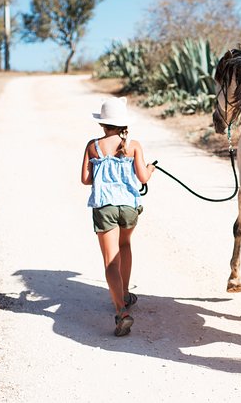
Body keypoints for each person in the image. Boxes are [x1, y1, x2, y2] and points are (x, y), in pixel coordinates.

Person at [81, 97, 156, 337]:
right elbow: (143, 177)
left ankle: (121, 311)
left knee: (110, 260)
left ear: (103, 124)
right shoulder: (133, 145)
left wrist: (103, 172)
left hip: (105, 207)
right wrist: (151, 168)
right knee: (125, 245)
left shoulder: (93, 146)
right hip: (129, 206)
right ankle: (124, 293)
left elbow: (85, 179)